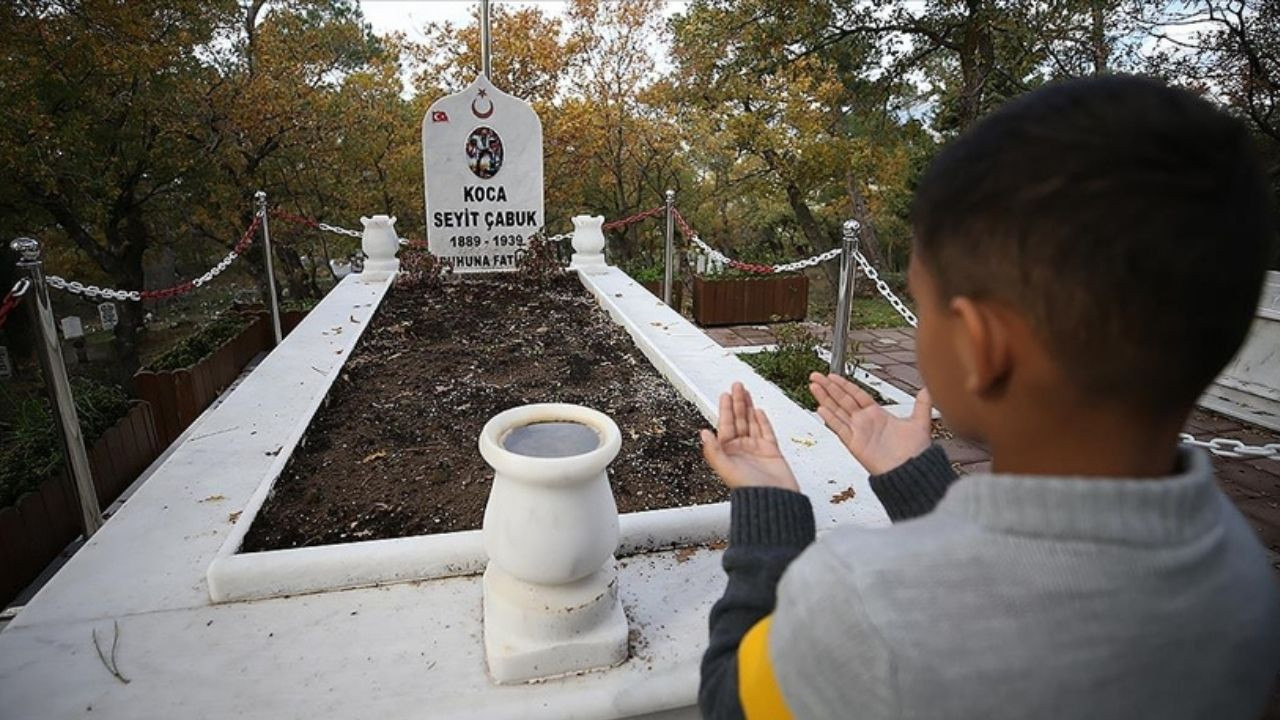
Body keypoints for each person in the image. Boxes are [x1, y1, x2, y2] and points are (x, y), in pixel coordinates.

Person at [697, 75, 1280, 720]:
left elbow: (731, 702)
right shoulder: (1242, 566)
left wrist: (771, 510)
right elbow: (1020, 577)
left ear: (980, 346)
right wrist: (916, 481)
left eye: (920, 303)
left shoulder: (866, 602)